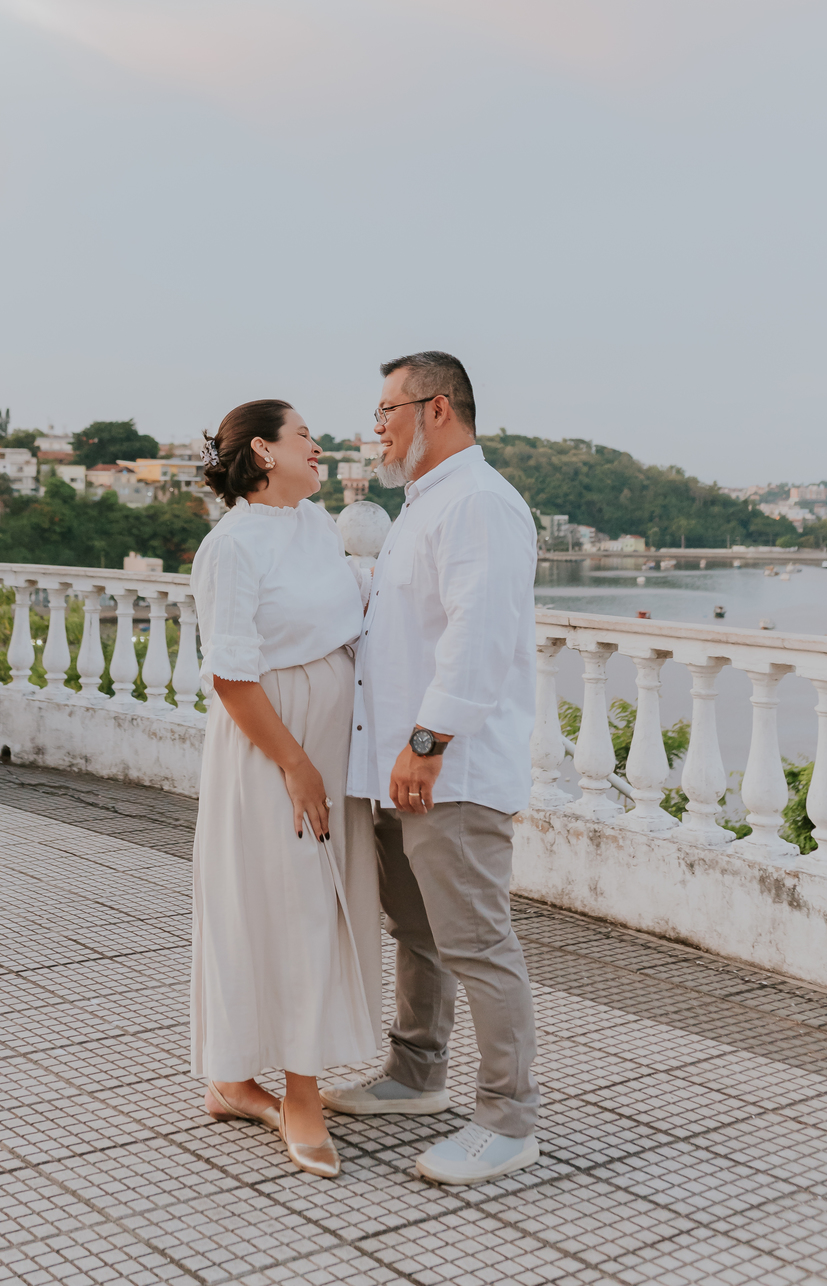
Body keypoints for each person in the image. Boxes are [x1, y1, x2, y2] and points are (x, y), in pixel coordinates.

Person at [320, 351, 541, 1186]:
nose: (375, 427)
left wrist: (427, 742)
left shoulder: (480, 504)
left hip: (445, 769)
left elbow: (477, 638)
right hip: (396, 768)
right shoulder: (421, 506)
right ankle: (417, 1074)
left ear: (436, 409)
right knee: (418, 933)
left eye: (386, 411)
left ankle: (508, 1118)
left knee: (478, 942)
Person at [190, 399, 382, 1179]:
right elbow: (231, 676)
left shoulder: (313, 526)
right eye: (305, 434)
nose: (319, 445)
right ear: (265, 452)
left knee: (321, 901)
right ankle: (295, 1090)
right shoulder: (232, 547)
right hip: (274, 741)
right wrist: (295, 763)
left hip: (331, 737)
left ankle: (235, 1079)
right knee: (291, 901)